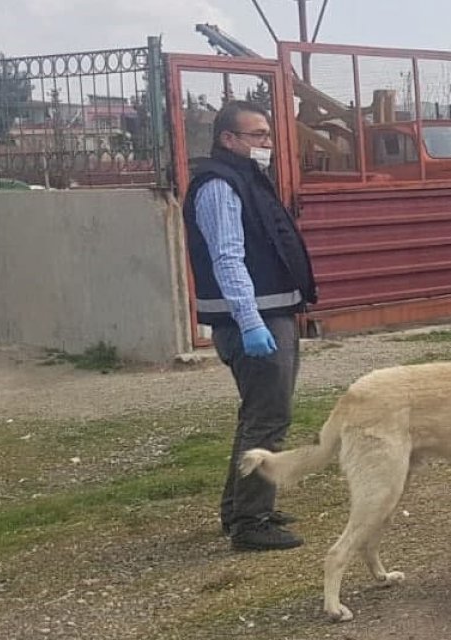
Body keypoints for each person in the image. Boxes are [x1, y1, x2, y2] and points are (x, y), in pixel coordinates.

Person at [183, 101, 318, 552]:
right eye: (257, 135)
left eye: (267, 134)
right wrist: (249, 321)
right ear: (228, 139)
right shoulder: (220, 186)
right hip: (254, 321)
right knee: (268, 419)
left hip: (272, 313)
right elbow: (227, 256)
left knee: (258, 418)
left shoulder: (245, 179)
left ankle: (240, 506)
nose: (266, 143)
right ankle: (251, 521)